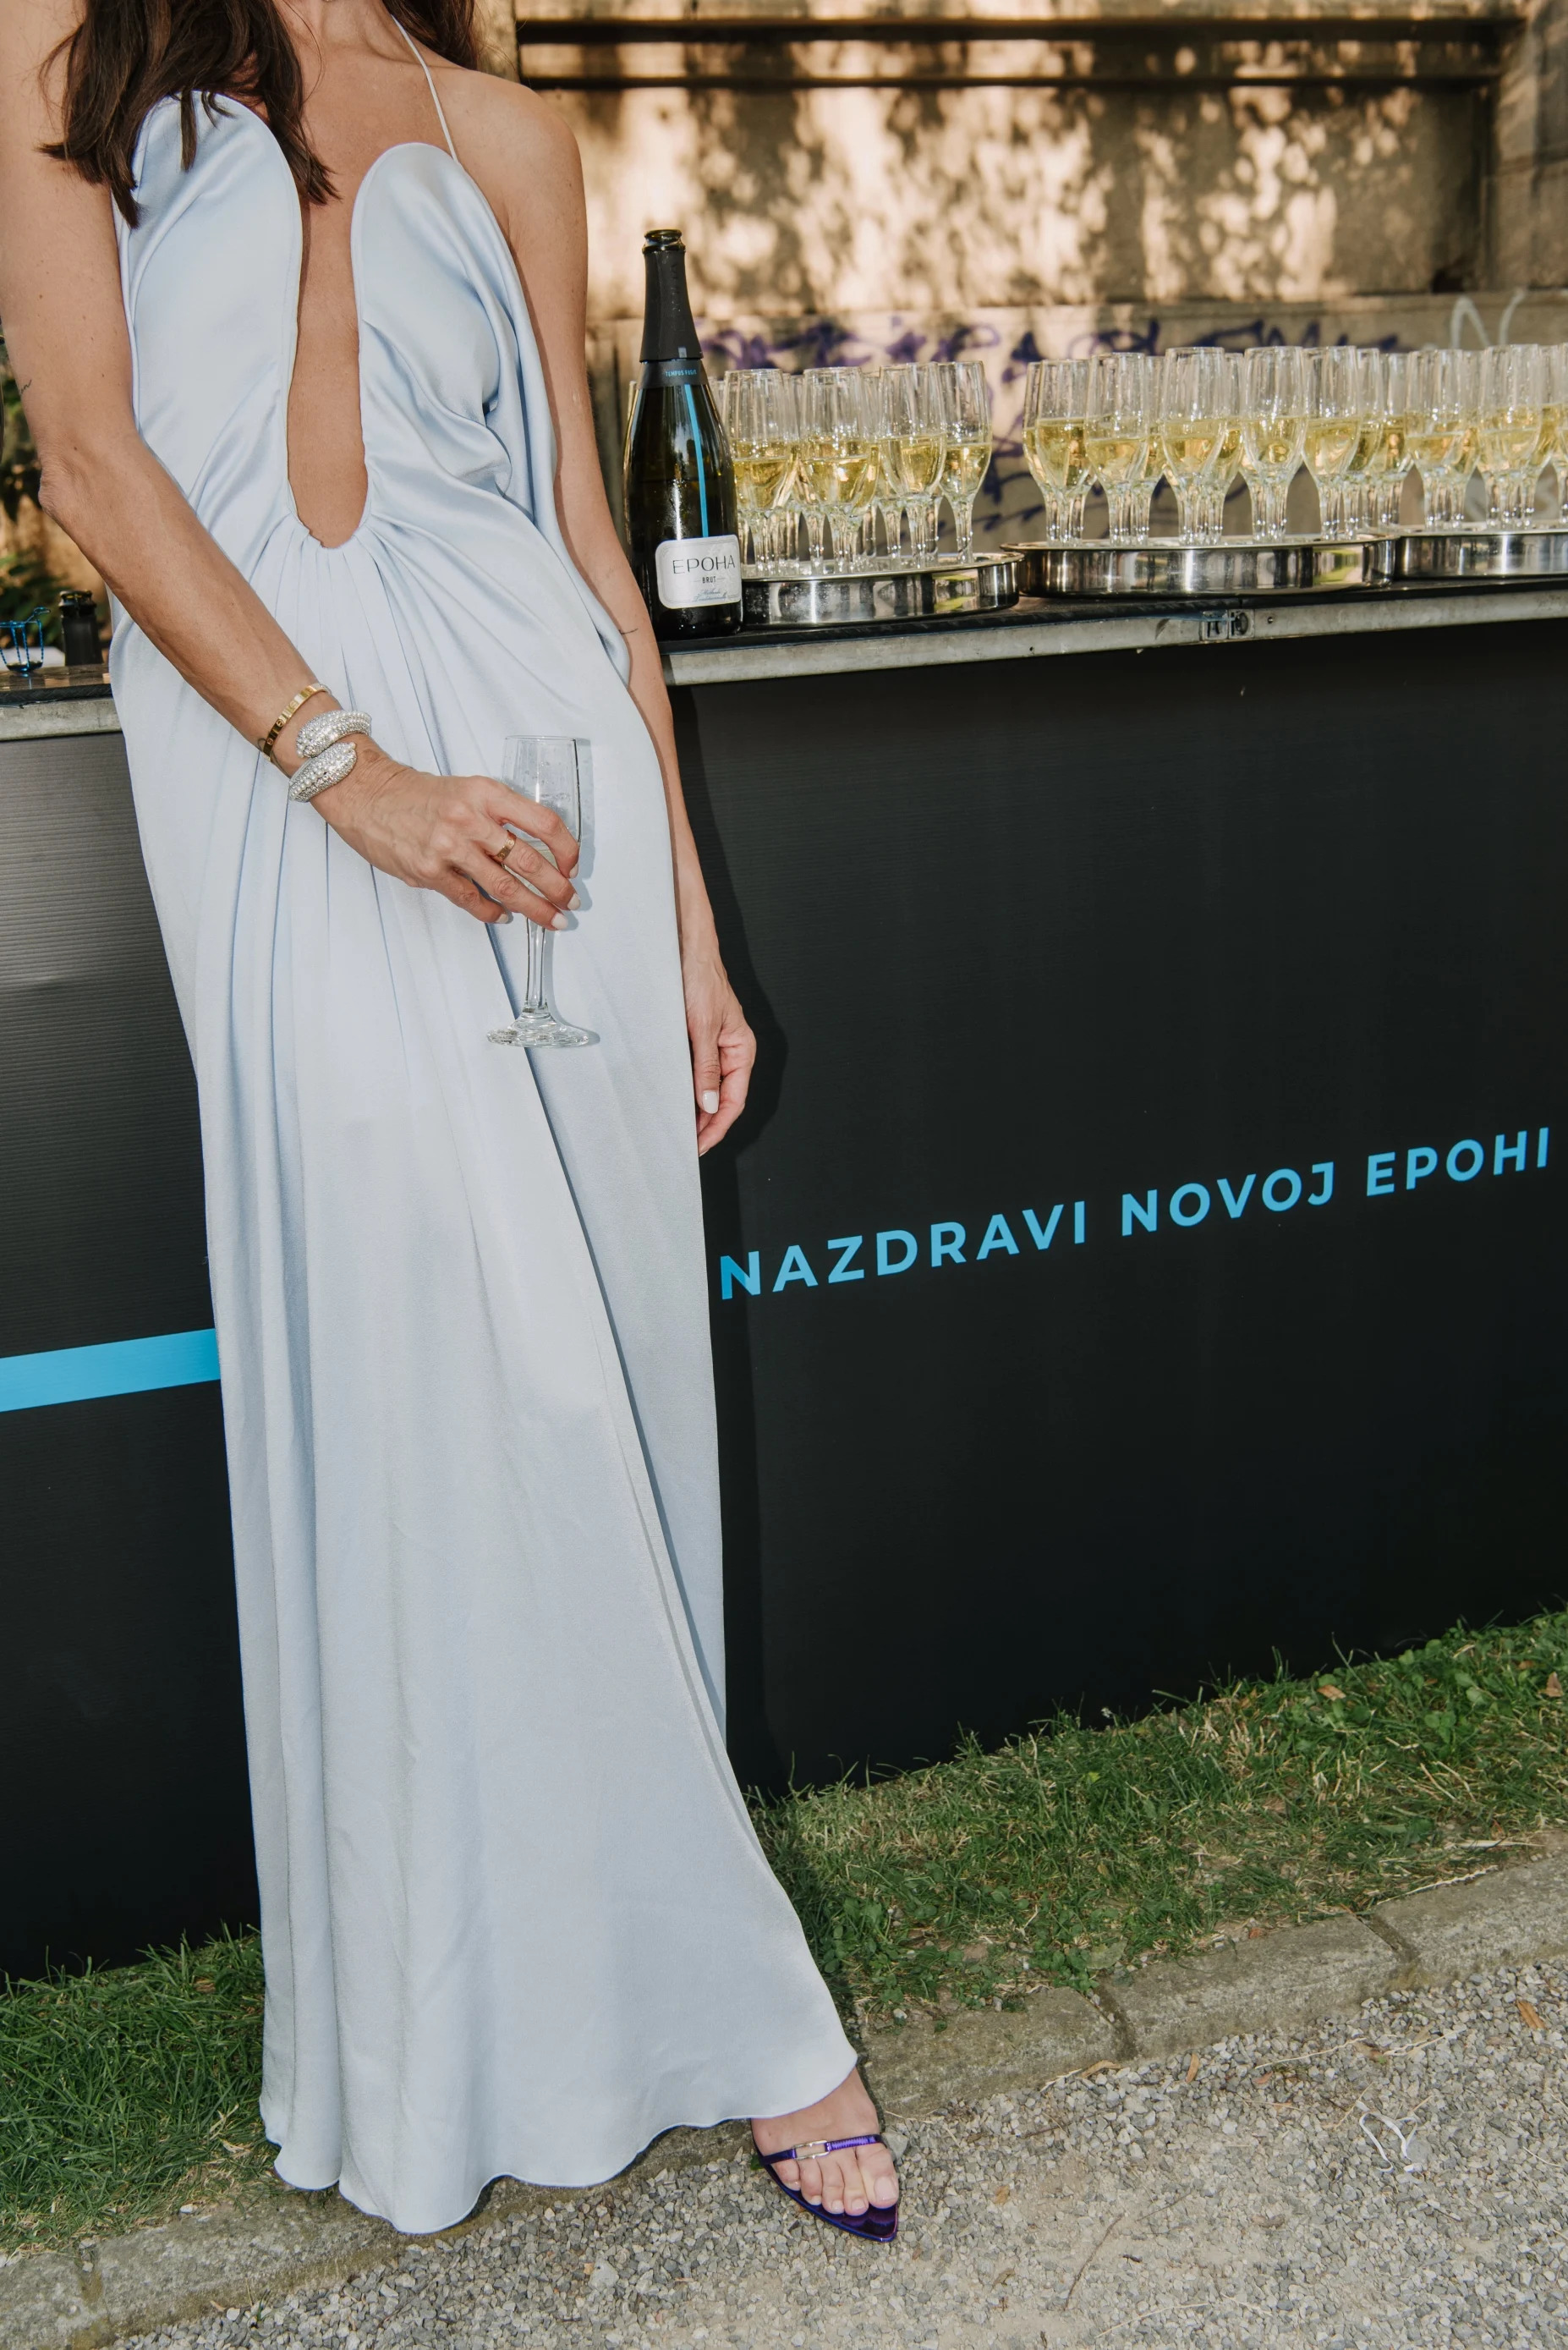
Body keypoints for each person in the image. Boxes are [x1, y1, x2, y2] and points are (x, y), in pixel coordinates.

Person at [0, 0, 899, 2240]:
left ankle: (649, 2001)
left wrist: (688, 925)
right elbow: (90, 467)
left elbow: (583, 541)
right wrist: (354, 777)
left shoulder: (504, 124)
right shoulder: (65, 50)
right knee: (440, 1380)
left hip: (548, 787)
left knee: (590, 1388)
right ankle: (557, 2027)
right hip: (285, 792)